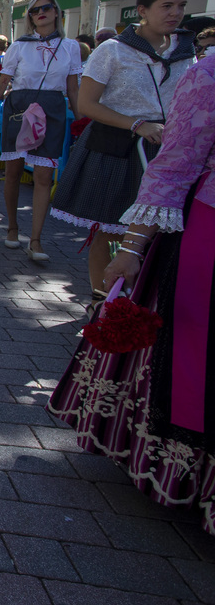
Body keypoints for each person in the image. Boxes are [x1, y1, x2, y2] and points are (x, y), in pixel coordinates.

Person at [47, 52, 215, 537]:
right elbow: (177, 163)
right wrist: (136, 246)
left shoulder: (190, 61)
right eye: (166, 5)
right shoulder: (203, 73)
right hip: (147, 180)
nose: (175, 13)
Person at [50, 0, 193, 308]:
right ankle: (104, 305)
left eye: (181, 5)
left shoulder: (185, 52)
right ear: (142, 11)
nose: (176, 13)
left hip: (171, 151)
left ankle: (146, 303)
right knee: (113, 229)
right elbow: (86, 104)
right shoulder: (112, 50)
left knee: (163, 232)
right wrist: (137, 124)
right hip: (118, 147)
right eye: (167, 5)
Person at [0, 0, 81, 262]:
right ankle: (12, 227)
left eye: (46, 8)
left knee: (44, 176)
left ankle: (36, 239)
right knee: (12, 170)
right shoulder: (20, 46)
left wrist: (82, 123)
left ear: (57, 12)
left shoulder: (70, 47)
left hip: (53, 108)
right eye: (35, 11)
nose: (41, 13)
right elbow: (2, 83)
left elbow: (73, 88)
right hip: (20, 106)